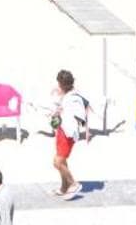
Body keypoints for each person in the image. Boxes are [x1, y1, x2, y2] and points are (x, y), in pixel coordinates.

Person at [48, 70, 88, 198]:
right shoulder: (68, 95)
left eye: (59, 84)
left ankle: (73, 183)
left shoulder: (73, 98)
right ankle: (64, 187)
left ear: (62, 84)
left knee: (57, 162)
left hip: (67, 134)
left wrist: (61, 113)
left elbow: (78, 116)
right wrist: (58, 112)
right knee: (62, 161)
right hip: (62, 132)